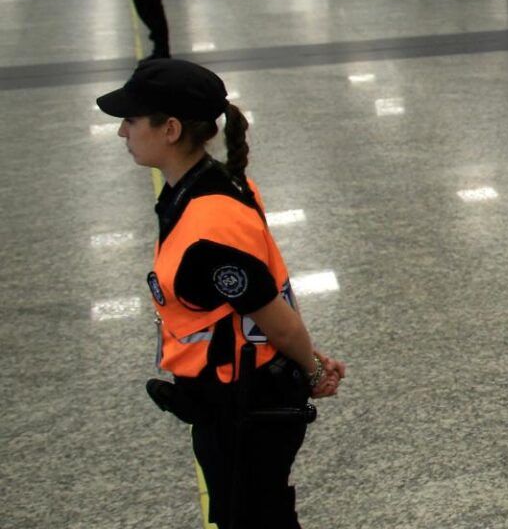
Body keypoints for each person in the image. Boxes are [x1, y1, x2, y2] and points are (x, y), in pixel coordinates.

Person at [96, 58, 346, 529]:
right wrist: (308, 358)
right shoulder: (213, 184)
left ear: (170, 129)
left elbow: (276, 320)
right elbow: (259, 302)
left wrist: (311, 369)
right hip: (235, 396)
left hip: (246, 406)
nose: (121, 132)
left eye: (130, 120)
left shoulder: (207, 226)